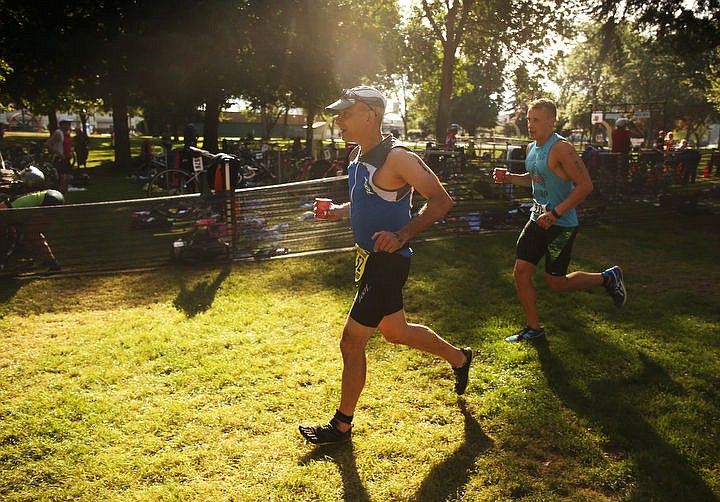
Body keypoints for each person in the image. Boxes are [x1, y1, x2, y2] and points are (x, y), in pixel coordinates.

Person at [298, 85, 472, 445]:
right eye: (339, 113)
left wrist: (403, 233)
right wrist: (337, 210)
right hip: (369, 259)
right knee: (396, 333)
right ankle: (459, 358)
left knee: (351, 342)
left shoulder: (398, 157)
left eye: (346, 113)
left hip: (388, 262)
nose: (338, 119)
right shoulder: (357, 156)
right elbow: (363, 201)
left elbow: (441, 201)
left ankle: (341, 425)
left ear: (370, 115)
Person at [492, 98, 626, 343]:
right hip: (536, 220)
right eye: (529, 120)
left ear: (552, 122)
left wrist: (555, 214)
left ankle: (607, 278)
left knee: (556, 283)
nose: (531, 125)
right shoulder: (532, 148)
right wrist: (509, 177)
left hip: (561, 225)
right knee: (521, 272)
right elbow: (535, 179)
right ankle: (534, 329)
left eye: (537, 120)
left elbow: (585, 186)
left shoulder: (562, 148)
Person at [44, 120, 73, 192]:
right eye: (67, 124)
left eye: (69, 124)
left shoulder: (67, 133)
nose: (69, 126)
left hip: (67, 158)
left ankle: (65, 193)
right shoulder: (58, 133)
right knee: (62, 177)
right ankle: (59, 193)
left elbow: (68, 145)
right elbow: (48, 144)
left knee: (68, 177)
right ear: (62, 125)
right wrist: (58, 153)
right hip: (60, 158)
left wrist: (71, 152)